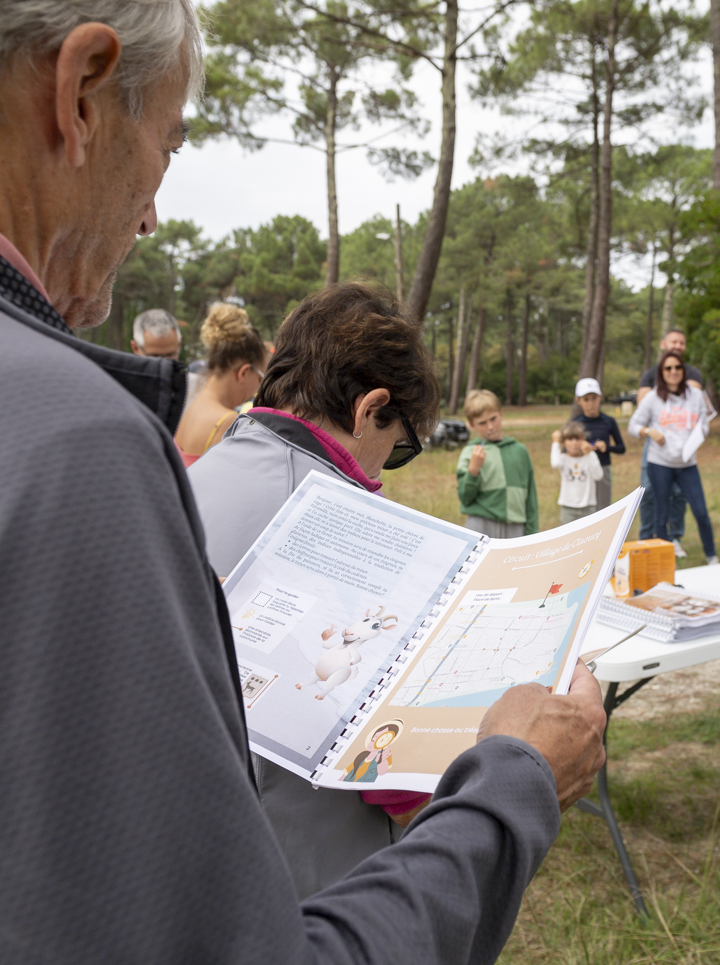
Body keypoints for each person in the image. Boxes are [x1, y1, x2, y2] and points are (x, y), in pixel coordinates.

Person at [0, 0, 609, 962]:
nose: (151, 211)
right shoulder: (47, 437)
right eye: (166, 141)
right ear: (80, 91)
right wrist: (509, 788)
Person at [187, 282, 444, 897]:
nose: (386, 466)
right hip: (307, 881)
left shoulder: (187, 479)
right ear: (368, 408)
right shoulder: (339, 526)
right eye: (400, 446)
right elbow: (398, 778)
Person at [630, 351, 720, 565]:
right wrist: (649, 432)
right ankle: (663, 559)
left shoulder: (695, 395)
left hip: (688, 464)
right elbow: (633, 425)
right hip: (660, 462)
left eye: (677, 368)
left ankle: (712, 557)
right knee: (661, 513)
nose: (673, 372)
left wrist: (698, 437)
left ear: (684, 370)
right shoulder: (653, 397)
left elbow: (704, 424)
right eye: (668, 368)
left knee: (700, 511)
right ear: (662, 372)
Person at [173, 301, 267, 466]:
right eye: (260, 378)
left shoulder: (193, 403)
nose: (257, 389)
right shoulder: (227, 422)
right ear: (244, 372)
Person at [637, 328, 704, 553]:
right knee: (648, 492)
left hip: (683, 448)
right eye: (673, 341)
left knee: (678, 495)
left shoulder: (694, 374)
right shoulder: (650, 374)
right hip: (656, 445)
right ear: (663, 344)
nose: (678, 346)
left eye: (682, 343)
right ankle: (647, 537)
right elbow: (644, 405)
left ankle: (674, 538)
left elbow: (691, 405)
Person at [458, 390, 539, 538]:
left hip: (516, 528)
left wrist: (532, 534)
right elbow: (465, 498)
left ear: (501, 414)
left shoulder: (520, 451)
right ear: (471, 425)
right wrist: (473, 470)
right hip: (480, 526)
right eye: (482, 423)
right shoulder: (469, 453)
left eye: (493, 419)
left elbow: (531, 497)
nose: (490, 427)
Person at [570, 377, 625, 507]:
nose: (591, 404)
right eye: (586, 400)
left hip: (603, 467)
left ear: (600, 397)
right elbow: (566, 450)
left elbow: (621, 448)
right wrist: (580, 448)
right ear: (578, 401)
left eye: (594, 398)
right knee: (583, 509)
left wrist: (608, 448)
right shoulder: (575, 423)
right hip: (582, 470)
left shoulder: (608, 421)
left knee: (603, 507)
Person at [551, 421, 605, 524]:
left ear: (583, 440)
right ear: (564, 441)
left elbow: (598, 475)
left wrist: (589, 454)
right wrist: (555, 442)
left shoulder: (590, 456)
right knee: (568, 538)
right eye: (570, 439)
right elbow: (555, 463)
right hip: (568, 507)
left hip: (588, 507)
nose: (574, 443)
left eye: (577, 439)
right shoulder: (563, 459)